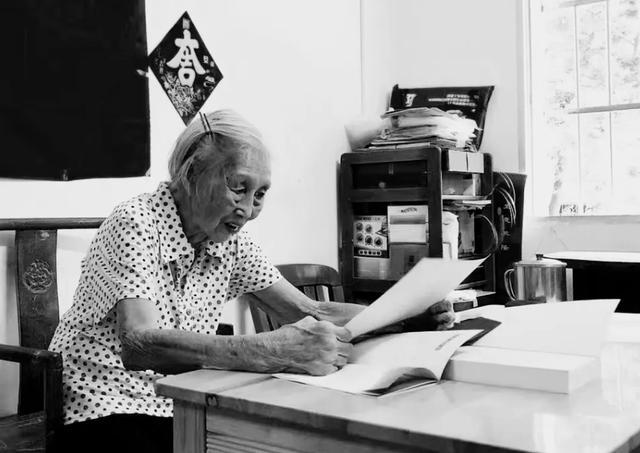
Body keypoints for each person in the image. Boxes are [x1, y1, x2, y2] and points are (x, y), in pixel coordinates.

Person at [50, 109, 455, 453]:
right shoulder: (136, 222)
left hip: (176, 400)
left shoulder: (230, 240)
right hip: (103, 401)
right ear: (191, 173)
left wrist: (404, 316)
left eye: (259, 194)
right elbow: (139, 344)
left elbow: (312, 310)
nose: (247, 209)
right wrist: (271, 350)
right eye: (238, 187)